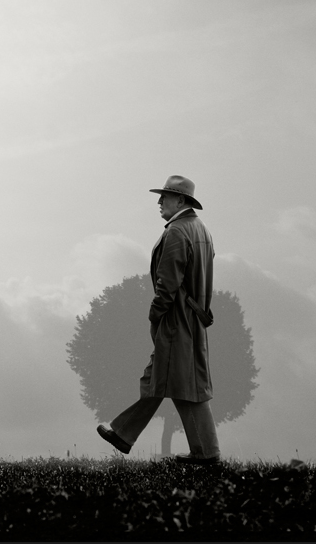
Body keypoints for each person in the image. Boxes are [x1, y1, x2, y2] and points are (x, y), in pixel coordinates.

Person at [96, 175, 220, 464]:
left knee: (170, 381)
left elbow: (168, 284)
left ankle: (124, 434)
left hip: (176, 320)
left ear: (181, 201)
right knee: (180, 383)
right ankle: (202, 452)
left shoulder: (177, 232)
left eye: (165, 196)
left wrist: (155, 315)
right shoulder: (201, 229)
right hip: (193, 320)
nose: (159, 201)